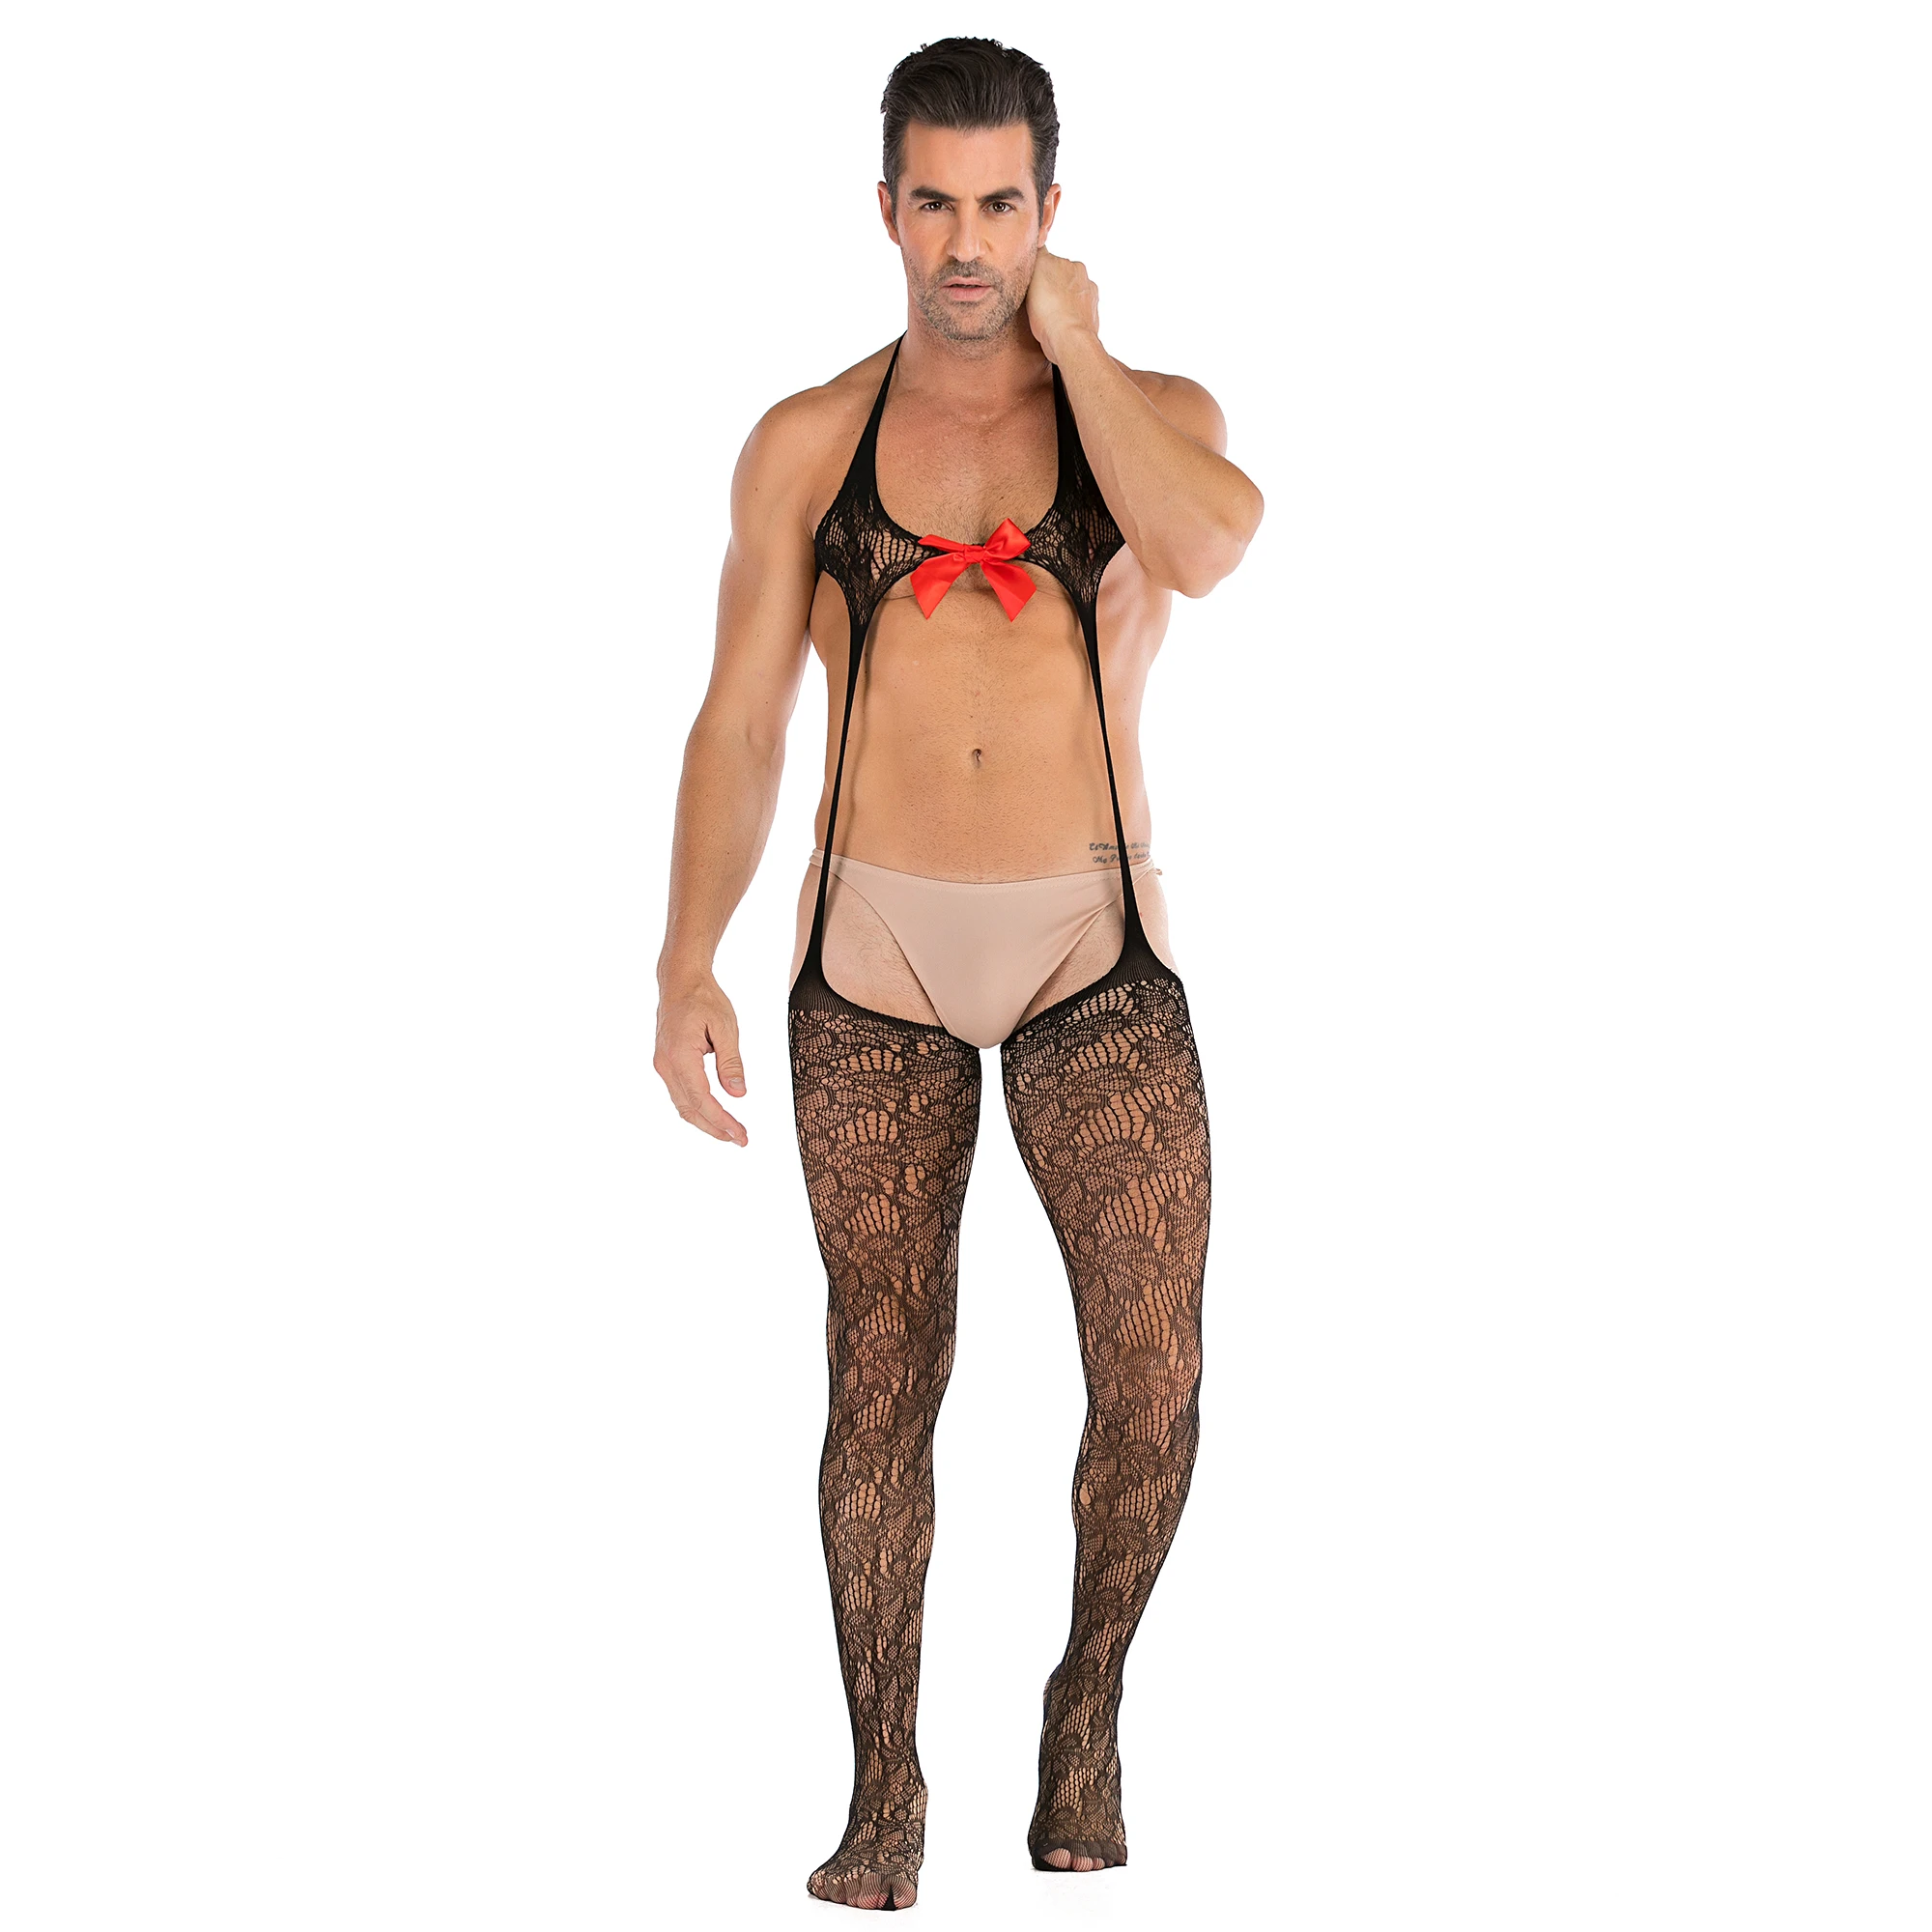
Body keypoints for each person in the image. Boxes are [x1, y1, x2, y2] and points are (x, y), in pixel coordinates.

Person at [654, 37, 1263, 1911]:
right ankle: (885, 1785)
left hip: (1094, 945)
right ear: (886, 210)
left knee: (1152, 1373)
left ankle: (1087, 1706)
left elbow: (1208, 546)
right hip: (874, 956)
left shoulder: (1144, 413)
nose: (968, 241)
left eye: (1002, 203)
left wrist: (1078, 343)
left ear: (1050, 210)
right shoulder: (807, 442)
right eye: (936, 202)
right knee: (879, 1375)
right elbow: (741, 720)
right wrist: (683, 955)